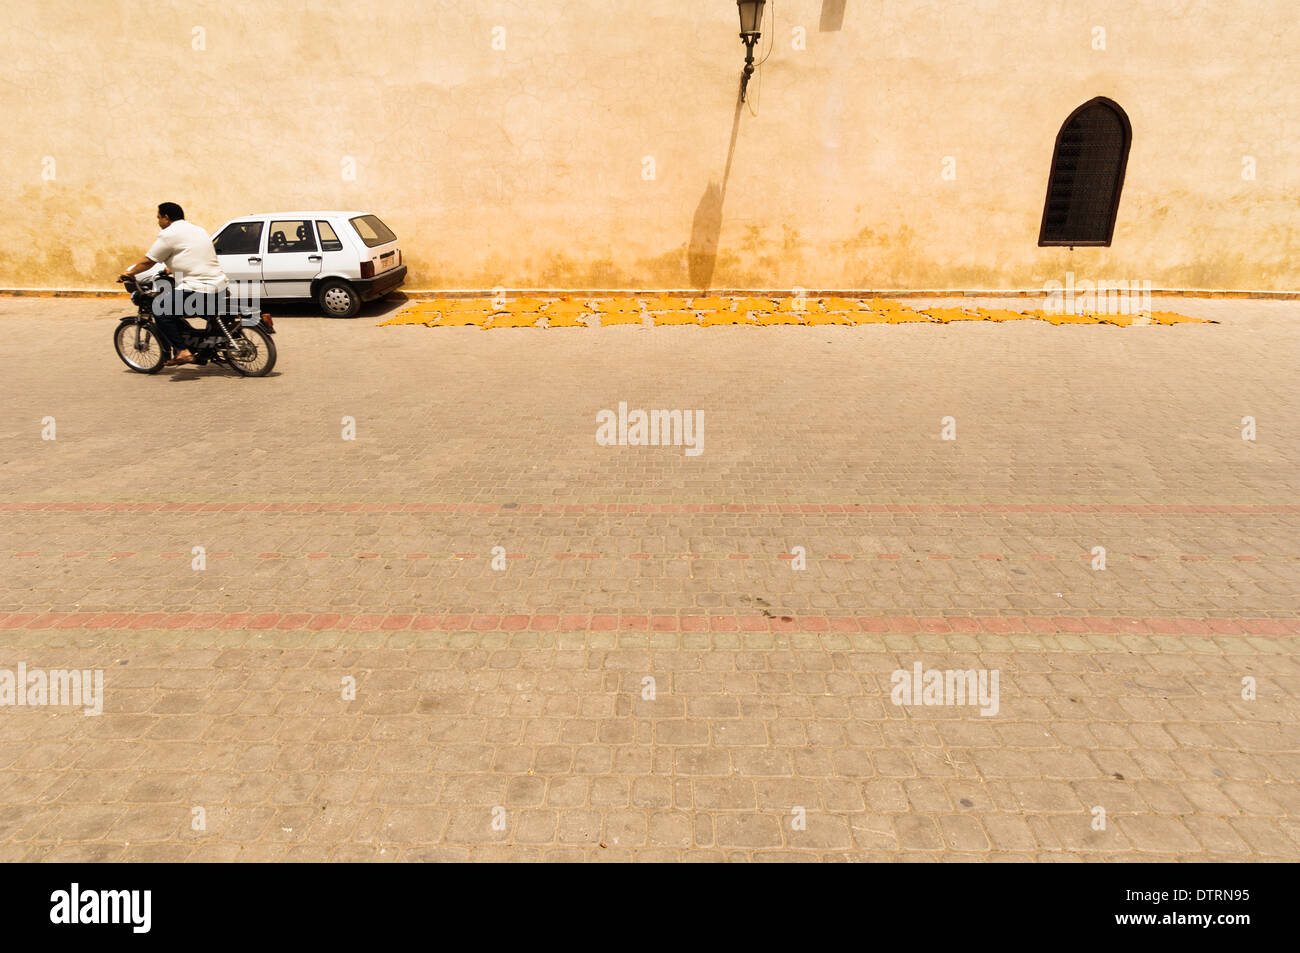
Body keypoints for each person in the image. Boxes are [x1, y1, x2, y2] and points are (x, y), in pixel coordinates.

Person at [120, 203, 229, 366]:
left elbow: (148, 261)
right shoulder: (198, 230)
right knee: (185, 310)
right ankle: (204, 347)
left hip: (197, 287)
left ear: (166, 217)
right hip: (220, 284)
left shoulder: (168, 234)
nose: (158, 222)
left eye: (158, 218)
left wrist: (129, 273)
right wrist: (171, 269)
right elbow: (193, 254)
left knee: (161, 310)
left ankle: (182, 351)